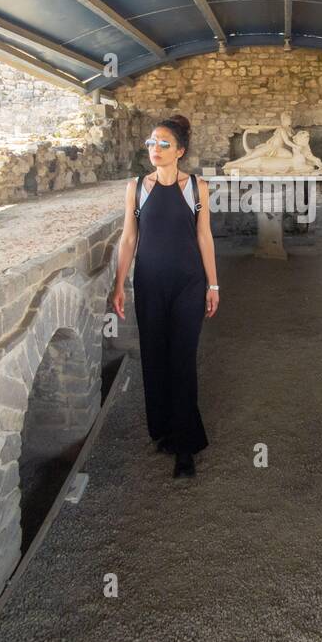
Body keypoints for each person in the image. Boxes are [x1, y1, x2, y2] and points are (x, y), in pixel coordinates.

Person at [111, 115, 219, 478]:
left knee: (182, 360)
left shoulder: (197, 187)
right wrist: (119, 283)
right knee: (154, 356)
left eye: (163, 144)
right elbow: (129, 238)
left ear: (181, 151)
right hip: (149, 283)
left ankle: (186, 446)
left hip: (188, 285)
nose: (154, 150)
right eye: (151, 144)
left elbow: (204, 236)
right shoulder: (137, 187)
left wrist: (213, 285)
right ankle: (164, 432)